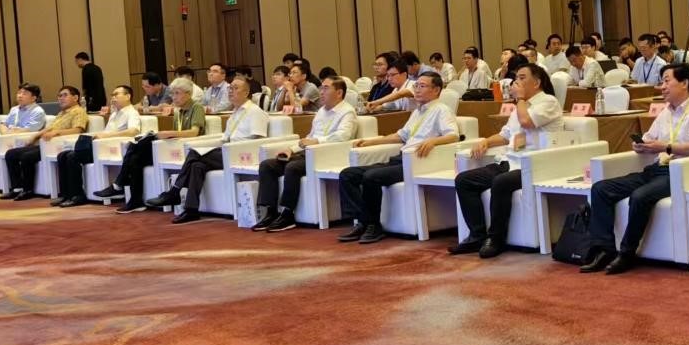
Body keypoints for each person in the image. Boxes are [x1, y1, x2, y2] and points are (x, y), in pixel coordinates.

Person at [580, 63, 689, 275]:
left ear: (684, 83)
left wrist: (666, 147)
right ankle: (604, 249)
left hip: (681, 172)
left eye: (667, 81)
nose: (662, 87)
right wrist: (641, 145)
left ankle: (627, 253)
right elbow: (650, 138)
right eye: (662, 82)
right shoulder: (665, 113)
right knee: (600, 189)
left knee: (640, 196)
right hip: (655, 169)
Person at [448, 63, 563, 258]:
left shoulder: (548, 102)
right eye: (516, 78)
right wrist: (486, 141)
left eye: (522, 78)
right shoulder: (521, 106)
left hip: (534, 164)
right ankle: (477, 235)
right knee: (464, 180)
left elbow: (527, 122)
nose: (516, 82)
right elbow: (505, 135)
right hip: (509, 161)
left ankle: (496, 239)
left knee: (501, 182)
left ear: (537, 83)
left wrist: (520, 99)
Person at [337, 73, 459, 244]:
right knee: (348, 174)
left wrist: (433, 141)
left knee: (371, 177)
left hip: (416, 163)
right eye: (416, 86)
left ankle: (373, 225)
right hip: (400, 158)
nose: (417, 90)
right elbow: (400, 136)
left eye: (422, 86)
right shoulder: (417, 111)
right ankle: (363, 221)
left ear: (436, 90)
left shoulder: (442, 110)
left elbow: (453, 135)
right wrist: (371, 142)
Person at [148, 78, 269, 223]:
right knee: (196, 165)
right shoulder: (235, 112)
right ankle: (191, 210)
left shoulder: (255, 112)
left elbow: (258, 140)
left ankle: (175, 191)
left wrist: (229, 148)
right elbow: (226, 138)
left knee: (194, 153)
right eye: (230, 88)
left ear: (246, 92)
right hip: (227, 151)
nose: (231, 91)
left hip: (242, 154)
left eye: (235, 88)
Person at [253, 76, 359, 232]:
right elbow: (309, 137)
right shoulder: (321, 111)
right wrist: (291, 149)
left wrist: (317, 141)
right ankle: (270, 212)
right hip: (309, 152)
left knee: (293, 167)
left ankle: (287, 213)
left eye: (326, 88)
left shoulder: (347, 111)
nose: (321, 92)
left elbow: (343, 136)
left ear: (339, 93)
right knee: (267, 165)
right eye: (321, 88)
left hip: (328, 155)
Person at [97, 77, 206, 212]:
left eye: (177, 93)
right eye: (172, 94)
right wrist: (168, 134)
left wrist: (168, 133)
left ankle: (118, 184)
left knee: (139, 146)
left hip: (186, 149)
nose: (173, 97)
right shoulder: (178, 111)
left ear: (188, 94)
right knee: (135, 159)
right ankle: (135, 201)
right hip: (172, 146)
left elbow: (194, 132)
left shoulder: (196, 107)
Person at [54, 85, 140, 207]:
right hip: (101, 146)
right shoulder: (115, 114)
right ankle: (65, 194)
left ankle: (77, 195)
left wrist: (107, 136)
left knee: (72, 157)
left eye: (116, 94)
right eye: (112, 95)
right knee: (62, 155)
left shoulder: (132, 112)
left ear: (128, 96)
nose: (113, 98)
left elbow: (133, 131)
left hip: (112, 148)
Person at [2, 86, 88, 201]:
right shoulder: (61, 113)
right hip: (45, 144)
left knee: (26, 157)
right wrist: (34, 137)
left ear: (76, 97)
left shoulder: (78, 111)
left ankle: (28, 189)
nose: (61, 98)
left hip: (58, 145)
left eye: (65, 95)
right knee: (11, 154)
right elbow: (48, 128)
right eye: (59, 96)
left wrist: (57, 133)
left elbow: (78, 130)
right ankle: (17, 188)